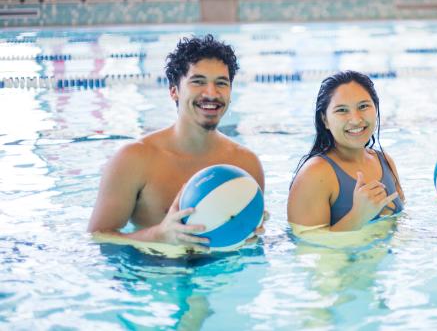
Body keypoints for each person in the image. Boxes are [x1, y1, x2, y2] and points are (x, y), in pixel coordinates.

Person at [88, 34, 265, 251]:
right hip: (154, 272)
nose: (211, 93)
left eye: (221, 83)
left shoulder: (245, 164)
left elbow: (250, 246)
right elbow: (98, 236)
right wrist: (160, 235)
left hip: (220, 274)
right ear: (174, 91)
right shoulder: (134, 159)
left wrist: (249, 233)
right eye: (198, 82)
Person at [288, 70, 404, 232]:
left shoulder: (385, 161)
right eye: (342, 110)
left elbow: (401, 222)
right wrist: (357, 217)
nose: (356, 119)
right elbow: (306, 247)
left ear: (376, 110)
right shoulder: (314, 174)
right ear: (325, 120)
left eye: (363, 106)